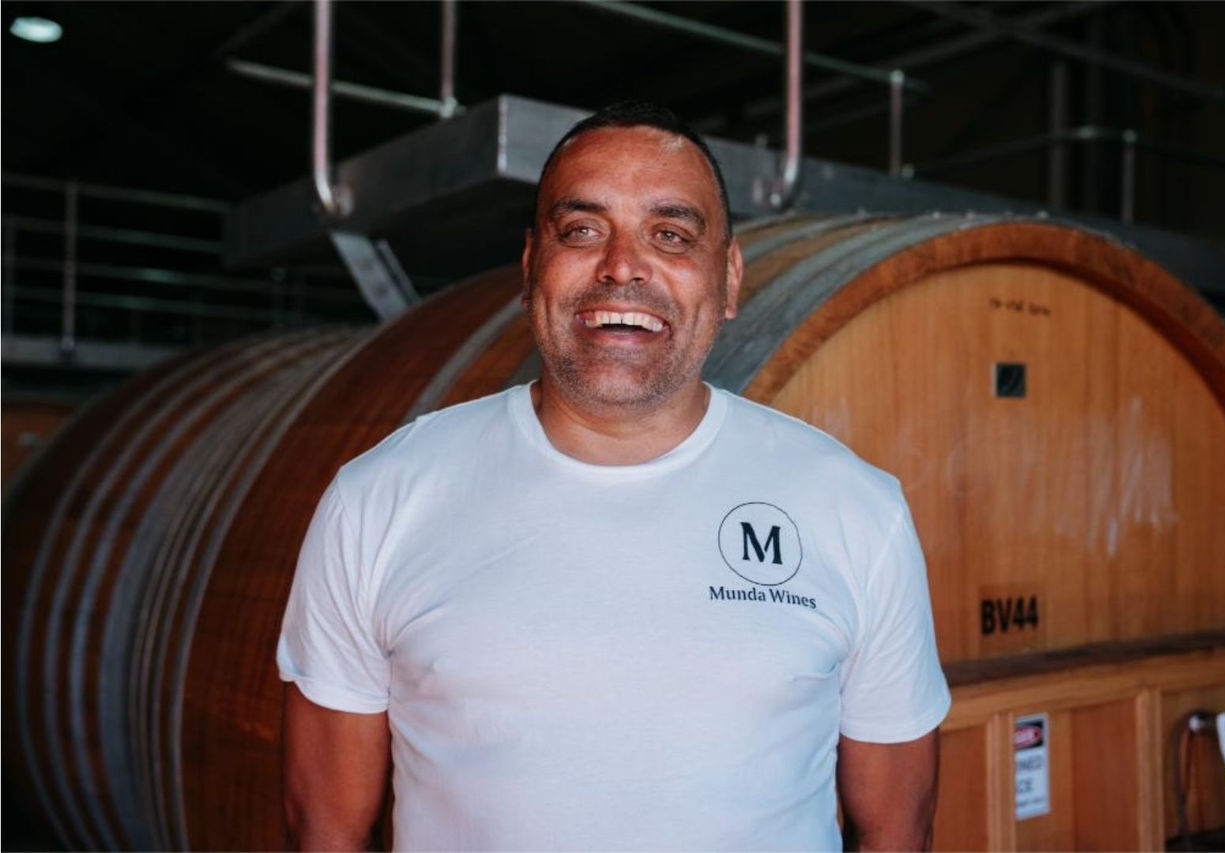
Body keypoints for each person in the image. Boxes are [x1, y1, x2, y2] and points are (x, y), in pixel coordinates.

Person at [277, 101, 950, 851]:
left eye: (671, 235)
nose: (622, 266)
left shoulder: (855, 508)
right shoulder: (378, 499)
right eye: (582, 230)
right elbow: (326, 831)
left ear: (729, 279)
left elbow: (897, 830)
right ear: (531, 266)